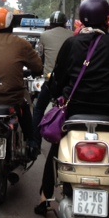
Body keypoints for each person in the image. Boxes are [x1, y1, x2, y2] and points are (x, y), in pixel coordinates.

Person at [34, 0, 109, 216]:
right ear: (105, 19)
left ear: (82, 19)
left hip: (74, 109)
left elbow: (56, 83)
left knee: (58, 143)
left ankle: (45, 196)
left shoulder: (70, 44)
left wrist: (61, 90)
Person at [0, 7, 43, 160]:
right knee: (25, 106)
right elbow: (38, 66)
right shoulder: (21, 44)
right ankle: (32, 143)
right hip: (13, 99)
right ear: (11, 24)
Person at [31, 10, 73, 152]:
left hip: (51, 80)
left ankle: (35, 143)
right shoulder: (72, 35)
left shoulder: (44, 35)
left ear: (51, 23)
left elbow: (40, 56)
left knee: (39, 109)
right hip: (68, 81)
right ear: (65, 23)